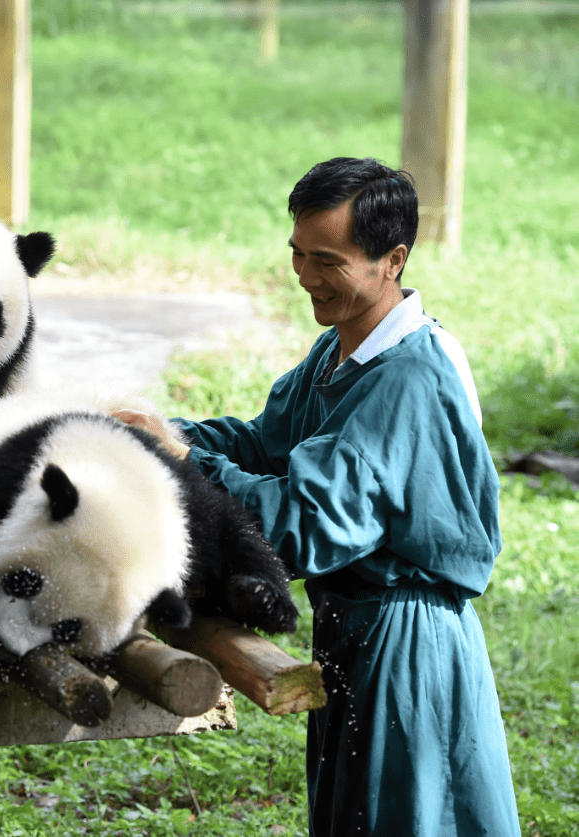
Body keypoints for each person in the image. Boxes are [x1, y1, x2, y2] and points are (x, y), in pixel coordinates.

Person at [119, 157, 521, 836]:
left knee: (408, 817)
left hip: (407, 649)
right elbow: (263, 443)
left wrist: (186, 464)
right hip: (354, 632)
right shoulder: (340, 350)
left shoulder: (408, 381)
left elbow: (302, 524)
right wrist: (158, 434)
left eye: (326, 260)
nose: (304, 276)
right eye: (297, 254)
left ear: (390, 259)